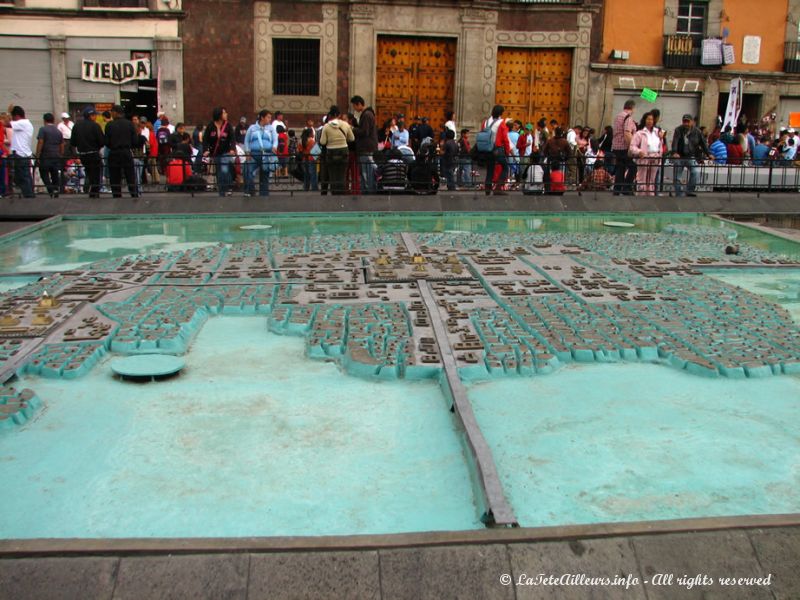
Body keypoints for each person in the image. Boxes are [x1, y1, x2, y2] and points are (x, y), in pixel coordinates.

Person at [670, 114, 712, 197]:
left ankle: (689, 190)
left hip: (690, 156)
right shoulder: (678, 130)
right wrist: (674, 152)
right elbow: (675, 141)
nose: (686, 124)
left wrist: (709, 154)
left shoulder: (697, 132)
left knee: (695, 172)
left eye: (687, 122)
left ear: (692, 122)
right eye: (684, 122)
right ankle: (678, 193)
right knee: (677, 177)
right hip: (680, 156)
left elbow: (703, 144)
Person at [104, 105, 139, 198]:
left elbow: (106, 142)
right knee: (130, 175)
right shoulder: (130, 124)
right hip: (126, 152)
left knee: (115, 176)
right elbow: (135, 141)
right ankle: (134, 194)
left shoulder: (109, 125)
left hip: (114, 152)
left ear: (115, 112)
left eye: (112, 112)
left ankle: (116, 195)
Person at [319, 105, 354, 195]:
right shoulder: (346, 125)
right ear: (339, 115)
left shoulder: (326, 126)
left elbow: (322, 142)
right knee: (342, 174)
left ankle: (334, 192)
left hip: (331, 152)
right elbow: (352, 138)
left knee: (332, 174)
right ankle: (341, 192)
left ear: (330, 115)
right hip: (343, 151)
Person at [70, 106, 104, 197]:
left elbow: (73, 142)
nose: (95, 117)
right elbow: (102, 141)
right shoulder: (95, 126)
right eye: (94, 115)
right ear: (91, 116)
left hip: (82, 155)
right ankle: (94, 192)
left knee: (88, 172)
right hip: (93, 153)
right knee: (96, 174)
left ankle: (88, 189)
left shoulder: (76, 126)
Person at [243, 109, 277, 197]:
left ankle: (264, 194)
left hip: (266, 154)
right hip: (254, 154)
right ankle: (251, 189)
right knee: (247, 170)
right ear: (262, 117)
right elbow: (246, 141)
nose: (270, 119)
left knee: (264, 175)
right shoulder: (252, 128)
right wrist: (247, 152)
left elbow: (275, 139)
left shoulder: (271, 128)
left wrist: (274, 146)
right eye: (268, 117)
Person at [203, 106, 236, 197]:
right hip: (215, 153)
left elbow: (232, 138)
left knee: (224, 170)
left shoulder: (228, 125)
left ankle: (228, 187)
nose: (226, 114)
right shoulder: (210, 126)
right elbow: (205, 139)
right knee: (219, 171)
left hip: (225, 152)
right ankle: (221, 190)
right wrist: (205, 150)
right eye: (224, 113)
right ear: (219, 114)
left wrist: (232, 149)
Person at [629, 112, 662, 196]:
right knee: (642, 179)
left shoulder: (657, 132)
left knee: (652, 180)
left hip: (655, 158)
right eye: (648, 119)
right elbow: (632, 146)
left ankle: (650, 196)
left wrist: (660, 155)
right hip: (644, 158)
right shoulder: (640, 133)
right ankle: (641, 196)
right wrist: (639, 151)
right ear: (644, 120)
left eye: (651, 119)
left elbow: (660, 145)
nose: (650, 121)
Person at [350, 95, 378, 193]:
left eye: (354, 106)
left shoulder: (366, 115)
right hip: (368, 146)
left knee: (366, 172)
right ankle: (368, 189)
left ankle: (367, 191)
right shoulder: (368, 114)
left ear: (359, 104)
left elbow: (364, 132)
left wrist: (353, 129)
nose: (354, 108)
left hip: (366, 148)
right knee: (367, 171)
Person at [7, 104, 35, 198]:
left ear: (17, 116)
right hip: (22, 154)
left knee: (23, 177)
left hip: (20, 154)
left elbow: (6, 123)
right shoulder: (26, 124)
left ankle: (28, 197)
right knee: (25, 176)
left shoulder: (22, 123)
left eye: (13, 117)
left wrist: (8, 113)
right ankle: (29, 195)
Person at [482, 104, 510, 195]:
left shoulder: (485, 122)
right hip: (497, 149)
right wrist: (507, 151)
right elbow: (505, 139)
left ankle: (487, 189)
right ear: (501, 113)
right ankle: (498, 187)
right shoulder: (501, 123)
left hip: (487, 150)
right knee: (505, 167)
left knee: (490, 170)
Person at [35, 113, 64, 198]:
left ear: (44, 120)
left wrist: (37, 155)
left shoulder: (43, 129)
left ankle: (51, 189)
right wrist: (61, 154)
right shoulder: (58, 131)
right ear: (53, 120)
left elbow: (40, 141)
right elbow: (62, 144)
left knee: (44, 173)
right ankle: (56, 189)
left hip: (45, 156)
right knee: (54, 174)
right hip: (56, 156)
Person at [612, 99, 637, 195]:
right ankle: (626, 188)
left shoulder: (618, 116)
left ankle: (617, 189)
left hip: (616, 147)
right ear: (632, 107)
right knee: (633, 167)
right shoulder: (628, 117)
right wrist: (632, 147)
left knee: (620, 168)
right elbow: (627, 133)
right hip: (624, 147)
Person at [300, 126, 319, 192]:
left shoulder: (303, 140)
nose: (313, 134)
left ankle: (306, 187)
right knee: (313, 174)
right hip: (312, 158)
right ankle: (314, 188)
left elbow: (299, 149)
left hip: (305, 158)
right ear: (310, 133)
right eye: (312, 132)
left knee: (306, 174)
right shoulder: (311, 141)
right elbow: (316, 150)